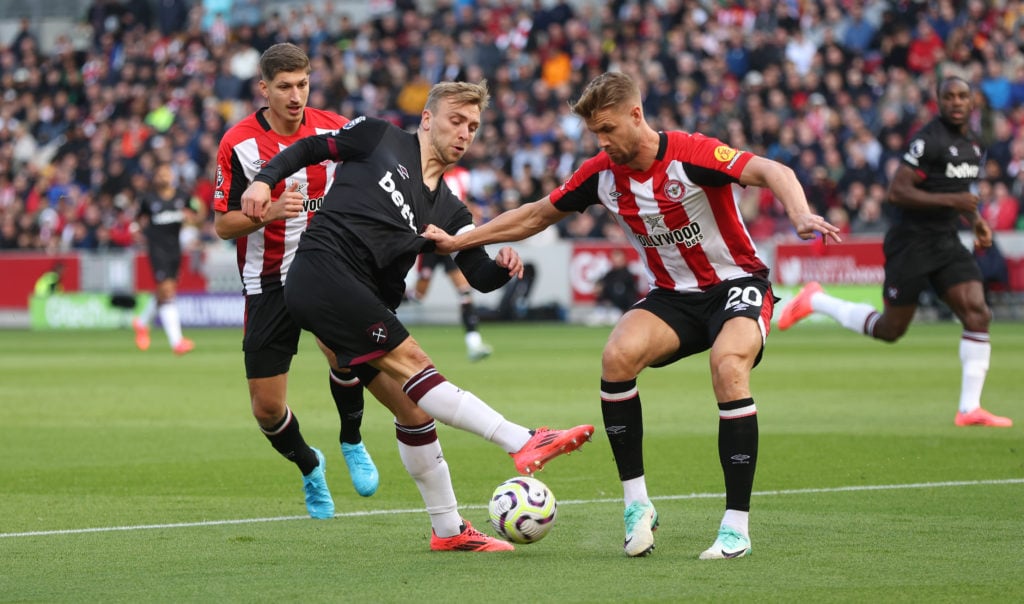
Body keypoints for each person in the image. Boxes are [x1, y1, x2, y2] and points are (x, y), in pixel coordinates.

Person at [424, 71, 841, 560]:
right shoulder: (601, 172)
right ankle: (637, 506)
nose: (603, 142)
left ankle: (735, 526)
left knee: (728, 366)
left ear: (636, 115)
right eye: (595, 134)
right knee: (616, 356)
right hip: (672, 296)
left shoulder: (691, 153)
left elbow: (774, 171)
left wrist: (798, 213)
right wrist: (462, 240)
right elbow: (537, 214)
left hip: (737, 285)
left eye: (608, 130)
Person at [238, 80, 595, 516]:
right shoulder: (377, 135)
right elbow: (307, 149)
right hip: (322, 270)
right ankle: (521, 440)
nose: (464, 133)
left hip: (360, 297)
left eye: (473, 126)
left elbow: (477, 275)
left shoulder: (451, 210)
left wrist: (502, 267)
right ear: (427, 119)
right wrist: (263, 182)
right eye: (456, 120)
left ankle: (448, 530)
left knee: (414, 411)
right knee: (417, 364)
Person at [779, 76, 1012, 429]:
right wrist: (955, 202)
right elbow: (898, 192)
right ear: (939, 100)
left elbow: (959, 190)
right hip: (912, 242)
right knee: (891, 329)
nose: (956, 102)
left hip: (947, 240)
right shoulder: (928, 140)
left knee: (978, 313)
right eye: (948, 96)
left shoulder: (974, 143)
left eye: (962, 96)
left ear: (972, 101)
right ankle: (816, 300)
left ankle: (969, 408)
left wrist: (976, 220)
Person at [213, 43, 380, 520]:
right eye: (284, 87)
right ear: (263, 88)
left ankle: (351, 439)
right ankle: (310, 465)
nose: (295, 95)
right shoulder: (238, 143)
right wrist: (264, 216)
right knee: (267, 409)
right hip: (266, 282)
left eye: (302, 84)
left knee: (343, 354)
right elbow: (224, 225)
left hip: (327, 271)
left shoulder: (333, 128)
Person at [406, 165, 494, 362]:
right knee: (418, 295)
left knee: (464, 291)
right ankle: (384, 303)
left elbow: (467, 202)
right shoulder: (429, 173)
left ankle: (474, 343)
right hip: (431, 239)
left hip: (453, 240)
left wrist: (475, 215)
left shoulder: (464, 175)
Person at [132, 161, 202, 355]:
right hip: (156, 249)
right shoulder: (148, 199)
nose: (164, 177)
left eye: (166, 173)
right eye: (160, 174)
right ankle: (177, 342)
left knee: (164, 291)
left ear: (172, 176)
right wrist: (139, 232)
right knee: (167, 291)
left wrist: (192, 219)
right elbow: (138, 220)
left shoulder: (182, 197)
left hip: (174, 249)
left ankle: (141, 322)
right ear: (155, 178)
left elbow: (196, 215)